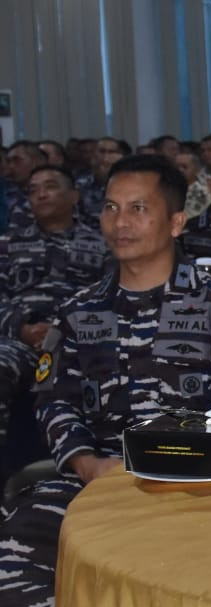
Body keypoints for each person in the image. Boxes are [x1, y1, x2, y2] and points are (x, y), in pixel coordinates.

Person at [0, 155, 211, 607]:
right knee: (17, 544)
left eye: (139, 209)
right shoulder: (79, 312)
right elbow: (54, 401)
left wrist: (170, 465)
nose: (121, 222)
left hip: (197, 479)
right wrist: (86, 464)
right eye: (111, 208)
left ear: (175, 221)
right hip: (100, 478)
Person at [0, 167, 110, 464]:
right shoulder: (8, 243)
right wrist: (22, 329)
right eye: (33, 190)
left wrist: (65, 330)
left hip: (82, 341)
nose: (41, 194)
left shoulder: (103, 241)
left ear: (74, 196)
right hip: (21, 340)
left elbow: (116, 293)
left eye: (50, 186)